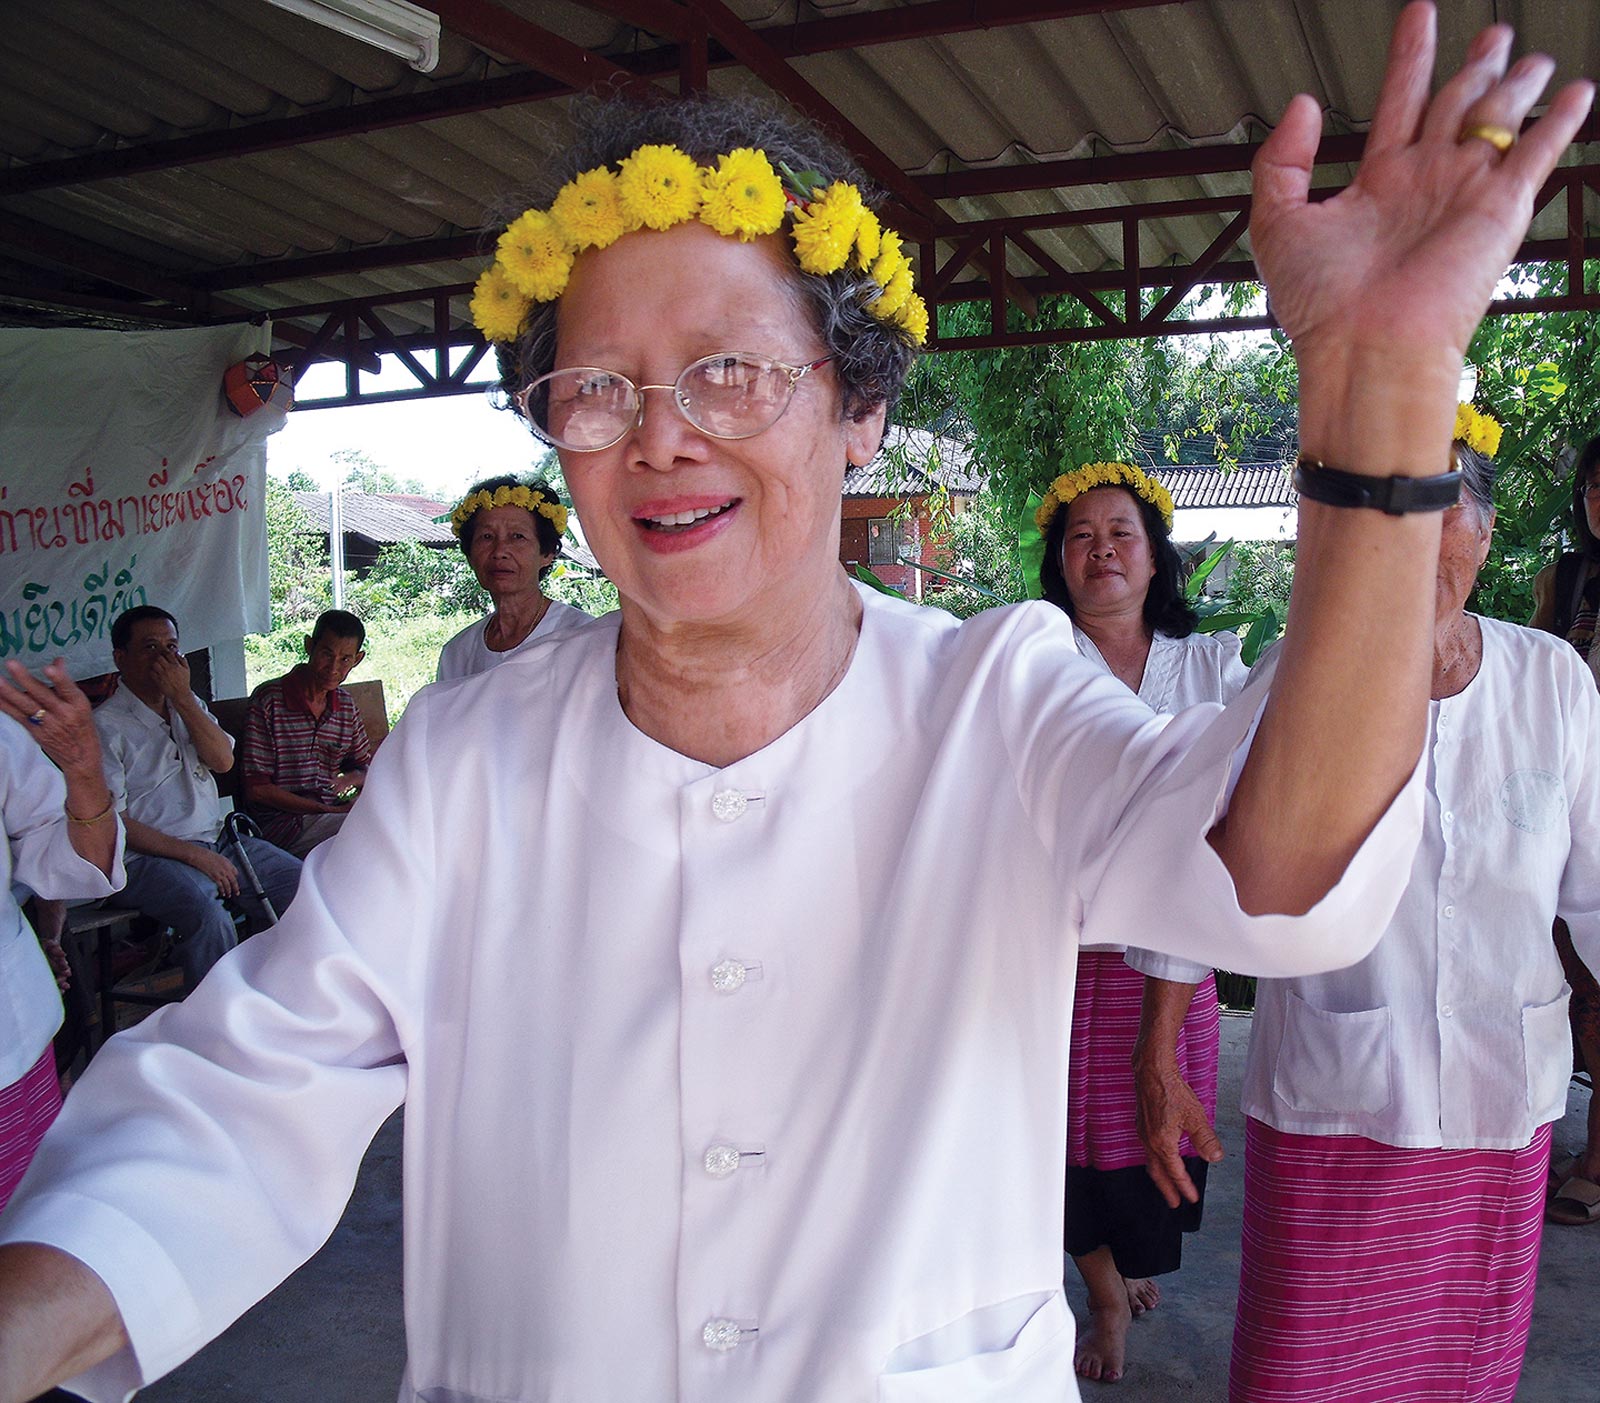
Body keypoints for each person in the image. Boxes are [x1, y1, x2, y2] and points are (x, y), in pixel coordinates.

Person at [0, 11, 1591, 1400]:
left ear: (861, 412)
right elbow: (250, 1081)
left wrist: (1385, 400)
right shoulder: (471, 754)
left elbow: (1278, 877)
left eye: (732, 373)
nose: (662, 435)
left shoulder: (997, 699)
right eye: (599, 387)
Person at [1137, 407, 1600, 1401]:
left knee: (1461, 1370)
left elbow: (1596, 891)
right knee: (1301, 1368)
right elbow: (1190, 862)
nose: (1405, 547)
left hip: (1498, 1099)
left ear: (1480, 530)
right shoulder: (1294, 681)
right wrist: (1159, 1056)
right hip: (1337, 1101)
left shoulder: (1550, 682)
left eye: (1435, 514)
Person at [1035, 460, 1247, 1381]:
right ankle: (1103, 1290)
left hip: (1168, 959)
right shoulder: (1032, 664)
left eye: (1121, 533)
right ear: (1060, 562)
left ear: (1155, 557)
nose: (1102, 550)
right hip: (1051, 948)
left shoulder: (1211, 665)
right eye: (1080, 536)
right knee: (1061, 1135)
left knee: (1149, 1124)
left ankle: (1128, 1259)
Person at [92, 606, 302, 990]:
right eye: (150, 648)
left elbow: (223, 761)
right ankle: (215, 1021)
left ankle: (283, 993)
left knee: (300, 884)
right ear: (120, 658)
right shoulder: (105, 725)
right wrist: (195, 856)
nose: (163, 659)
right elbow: (113, 822)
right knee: (209, 913)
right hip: (146, 859)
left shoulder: (188, 705)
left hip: (215, 839)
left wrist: (184, 698)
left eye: (171, 647)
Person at [0, 659, 124, 1212]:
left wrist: (81, 767)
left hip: (9, 1054)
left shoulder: (4, 735)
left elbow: (76, 866)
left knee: (25, 1235)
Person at [1528, 433, 1600, 1225]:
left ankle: (1596, 1159)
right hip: (1573, 789)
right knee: (1577, 979)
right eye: (1592, 487)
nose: (1599, 499)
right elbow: (1540, 672)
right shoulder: (1567, 577)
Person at [240, 609, 375, 858]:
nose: (334, 667)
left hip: (329, 816)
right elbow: (257, 789)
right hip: (282, 827)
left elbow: (366, 768)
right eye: (327, 654)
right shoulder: (270, 700)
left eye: (345, 659)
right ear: (309, 646)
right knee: (369, 834)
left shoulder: (344, 706)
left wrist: (352, 780)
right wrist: (327, 810)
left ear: (357, 659)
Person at [435, 474, 591, 681]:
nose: (500, 551)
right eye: (486, 537)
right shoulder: (457, 653)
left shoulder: (583, 637)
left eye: (517, 536)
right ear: (470, 555)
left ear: (547, 554)